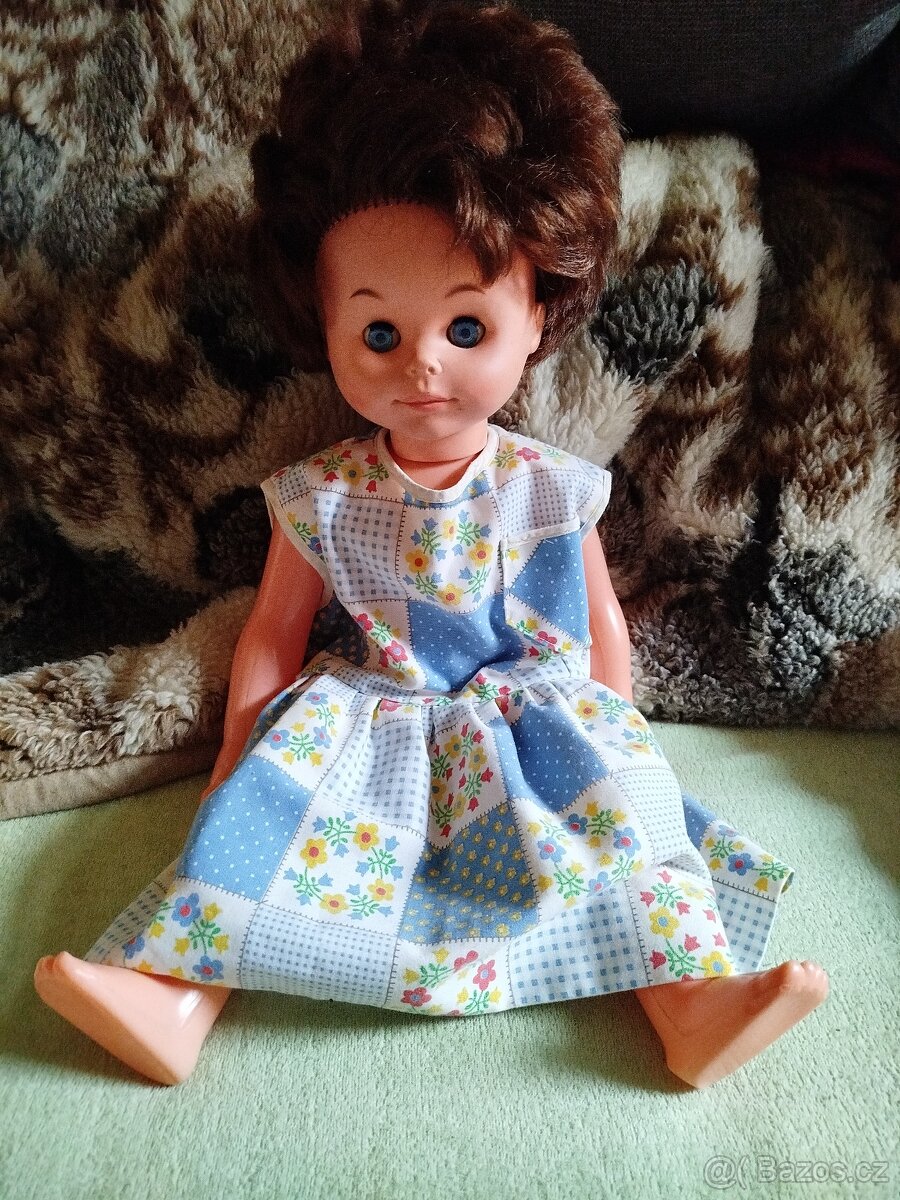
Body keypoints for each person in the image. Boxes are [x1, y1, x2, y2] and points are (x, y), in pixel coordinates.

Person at [34, 0, 827, 1087]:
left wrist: (617, 730)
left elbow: (598, 621)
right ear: (321, 330)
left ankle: (691, 999)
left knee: (630, 831)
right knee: (252, 831)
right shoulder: (321, 496)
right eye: (378, 332)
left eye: (466, 328)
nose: (422, 365)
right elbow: (272, 630)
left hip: (533, 714)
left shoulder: (549, 486)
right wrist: (239, 754)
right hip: (372, 716)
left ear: (537, 317)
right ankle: (173, 995)